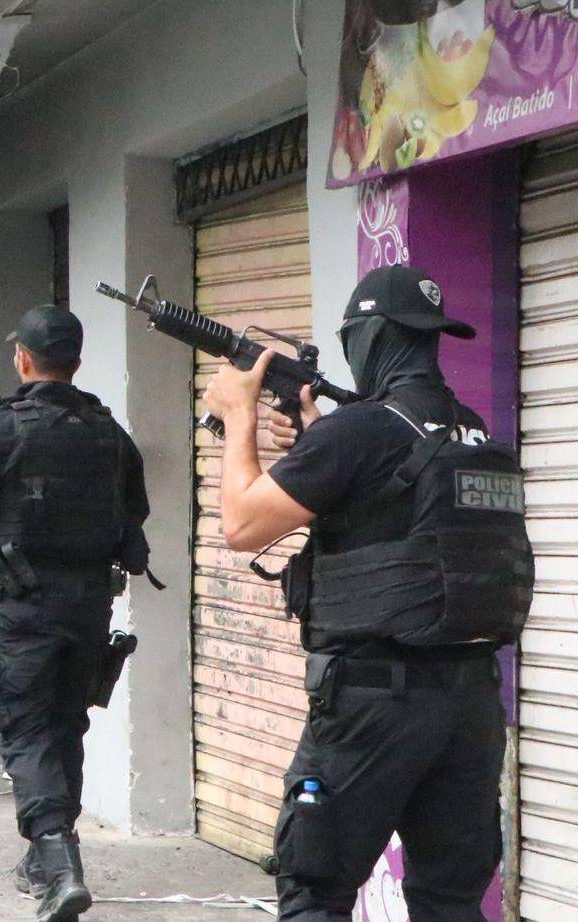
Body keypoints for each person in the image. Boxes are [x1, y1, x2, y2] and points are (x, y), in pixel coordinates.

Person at [203, 265, 531, 922]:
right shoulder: (472, 434)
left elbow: (242, 524)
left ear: (368, 337)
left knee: (314, 893)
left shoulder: (358, 433)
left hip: (371, 705)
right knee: (449, 901)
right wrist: (316, 436)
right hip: (469, 705)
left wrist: (236, 415)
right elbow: (397, 508)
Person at [0, 305, 148, 922]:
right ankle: (50, 854)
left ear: (23, 358)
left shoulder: (3, 427)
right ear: (76, 361)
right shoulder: (107, 430)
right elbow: (135, 508)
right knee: (65, 723)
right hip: (89, 605)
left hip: (26, 602)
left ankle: (56, 863)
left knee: (24, 725)